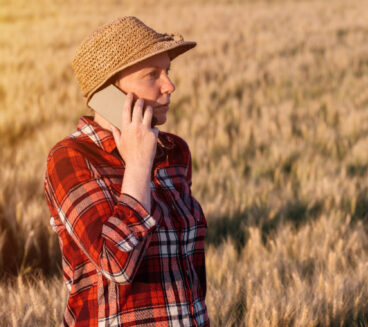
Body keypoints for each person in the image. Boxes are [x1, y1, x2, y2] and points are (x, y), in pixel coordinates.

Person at [43, 16, 209, 326]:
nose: (170, 85)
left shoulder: (175, 153)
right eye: (152, 75)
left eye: (168, 72)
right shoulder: (70, 158)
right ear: (108, 93)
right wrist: (138, 166)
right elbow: (116, 265)